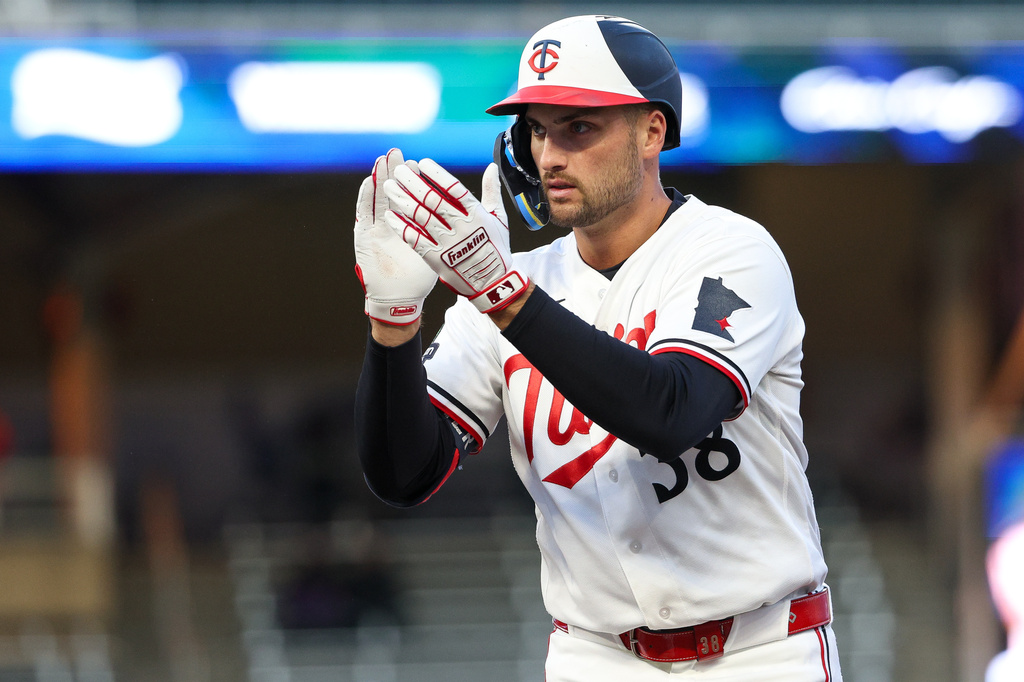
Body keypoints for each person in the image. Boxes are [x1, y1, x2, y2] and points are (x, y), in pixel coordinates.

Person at [353, 15, 842, 680]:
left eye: (579, 127)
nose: (550, 155)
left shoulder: (730, 251)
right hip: (596, 654)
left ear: (652, 130)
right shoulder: (511, 284)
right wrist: (393, 324)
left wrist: (501, 292)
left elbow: (670, 413)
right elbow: (404, 474)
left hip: (761, 650)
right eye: (537, 129)